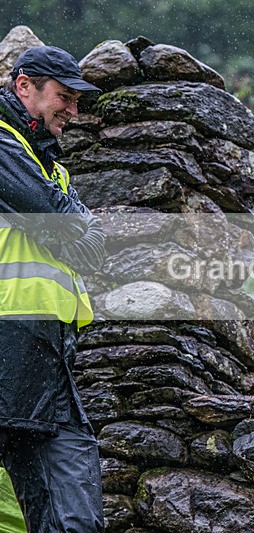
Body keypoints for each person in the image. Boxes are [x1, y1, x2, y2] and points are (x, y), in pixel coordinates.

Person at [0, 45, 106, 532]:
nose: (74, 111)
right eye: (65, 97)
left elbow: (92, 248)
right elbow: (58, 217)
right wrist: (60, 221)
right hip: (9, 351)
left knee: (72, 517)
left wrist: (58, 220)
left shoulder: (50, 166)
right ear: (25, 86)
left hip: (47, 360)